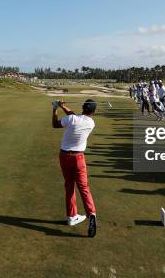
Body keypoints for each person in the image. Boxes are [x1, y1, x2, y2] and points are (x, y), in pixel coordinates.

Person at [52, 99, 97, 237]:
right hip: (79, 158)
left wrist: (55, 108)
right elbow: (75, 117)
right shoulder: (91, 123)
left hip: (64, 157)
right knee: (84, 188)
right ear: (93, 112)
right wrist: (63, 106)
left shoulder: (72, 119)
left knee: (69, 186)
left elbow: (55, 124)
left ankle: (72, 217)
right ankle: (92, 215)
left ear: (83, 108)